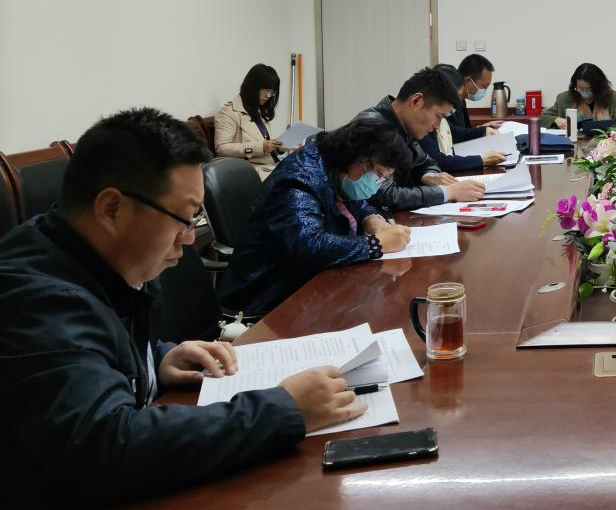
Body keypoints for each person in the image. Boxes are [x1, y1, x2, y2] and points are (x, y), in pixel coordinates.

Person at [0, 108, 365, 503]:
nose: (190, 239)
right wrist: (285, 409)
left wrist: (157, 359)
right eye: (185, 219)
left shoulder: (84, 256)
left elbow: (89, 353)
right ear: (111, 209)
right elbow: (107, 447)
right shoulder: (36, 300)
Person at [218, 117, 415, 315]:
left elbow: (355, 200)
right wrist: (375, 244)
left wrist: (372, 219)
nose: (376, 184)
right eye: (377, 175)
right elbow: (310, 245)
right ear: (357, 158)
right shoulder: (297, 181)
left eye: (383, 179)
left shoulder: (335, 166)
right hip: (265, 300)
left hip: (309, 287)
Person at [354, 68, 487, 211]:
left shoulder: (405, 125)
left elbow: (427, 162)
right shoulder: (371, 129)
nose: (437, 126)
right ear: (416, 101)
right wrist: (447, 192)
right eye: (438, 117)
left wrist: (428, 176)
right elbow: (384, 195)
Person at [420, 65, 508, 172]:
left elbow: (456, 133)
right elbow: (438, 161)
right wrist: (482, 160)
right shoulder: (423, 123)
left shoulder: (442, 116)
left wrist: (483, 130)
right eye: (456, 97)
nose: (457, 102)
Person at [215, 63, 288, 178]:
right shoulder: (229, 112)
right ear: (253, 87)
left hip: (268, 167)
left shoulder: (258, 109)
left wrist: (278, 148)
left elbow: (263, 145)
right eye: (266, 90)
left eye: (272, 92)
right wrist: (261, 147)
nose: (269, 96)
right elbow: (221, 148)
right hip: (249, 171)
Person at [540, 63, 616, 132]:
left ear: (598, 87)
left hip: (605, 143)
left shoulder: (612, 97)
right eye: (580, 88)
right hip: (574, 144)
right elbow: (541, 119)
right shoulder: (565, 98)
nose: (584, 91)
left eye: (588, 89)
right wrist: (556, 119)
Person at [453, 53, 504, 131]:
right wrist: (482, 130)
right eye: (484, 87)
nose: (484, 91)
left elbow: (465, 131)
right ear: (468, 80)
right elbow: (455, 135)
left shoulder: (461, 102)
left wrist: (482, 127)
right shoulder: (450, 105)